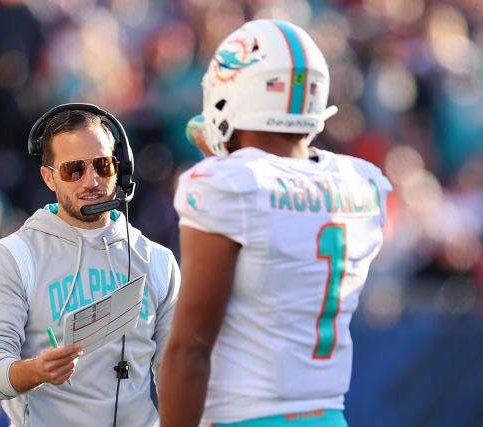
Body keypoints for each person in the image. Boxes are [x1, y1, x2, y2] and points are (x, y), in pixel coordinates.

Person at [159, 19, 392, 427]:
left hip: (244, 418)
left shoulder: (226, 185)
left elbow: (191, 350)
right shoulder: (364, 182)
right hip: (328, 415)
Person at [0, 104, 180, 426]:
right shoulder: (14, 255)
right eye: (73, 170)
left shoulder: (157, 261)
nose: (91, 180)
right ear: (48, 177)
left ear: (121, 168)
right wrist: (36, 371)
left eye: (103, 165)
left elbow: (175, 377)